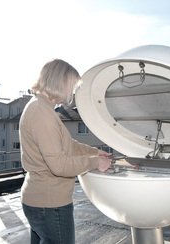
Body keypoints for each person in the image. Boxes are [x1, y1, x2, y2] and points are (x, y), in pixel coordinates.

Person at [19, 59, 112, 244]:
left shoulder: (42, 107)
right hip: (49, 203)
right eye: (70, 87)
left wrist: (95, 152)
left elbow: (69, 144)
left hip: (40, 200)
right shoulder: (41, 112)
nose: (71, 93)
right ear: (58, 82)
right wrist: (94, 163)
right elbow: (59, 165)